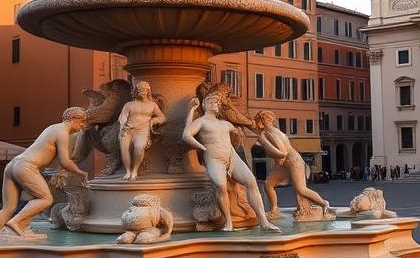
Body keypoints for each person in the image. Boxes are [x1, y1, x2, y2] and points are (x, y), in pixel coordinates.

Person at [0, 107, 90, 240]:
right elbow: (65, 161)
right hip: (26, 166)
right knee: (46, 199)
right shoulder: (62, 132)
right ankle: (16, 223)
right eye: (82, 123)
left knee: (9, 208)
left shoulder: (52, 128)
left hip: (13, 164)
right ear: (74, 119)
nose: (82, 127)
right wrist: (81, 172)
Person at [183, 94, 280, 233]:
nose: (215, 105)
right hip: (214, 158)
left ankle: (264, 221)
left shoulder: (225, 123)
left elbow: (243, 126)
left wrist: (262, 129)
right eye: (211, 102)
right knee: (221, 186)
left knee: (251, 181)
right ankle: (228, 221)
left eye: (217, 103)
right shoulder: (201, 122)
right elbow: (186, 135)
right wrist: (191, 111)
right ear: (204, 105)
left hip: (232, 157)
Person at [254, 110, 333, 220]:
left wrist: (263, 141)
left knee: (301, 189)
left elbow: (282, 153)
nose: (255, 121)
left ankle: (324, 204)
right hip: (285, 164)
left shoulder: (270, 133)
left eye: (256, 119)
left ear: (262, 120)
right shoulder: (269, 131)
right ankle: (274, 210)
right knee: (268, 184)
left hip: (294, 162)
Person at [118, 81, 166, 181]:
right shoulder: (129, 105)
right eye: (140, 90)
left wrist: (154, 120)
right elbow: (122, 118)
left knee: (139, 147)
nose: (143, 92)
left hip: (143, 129)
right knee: (124, 149)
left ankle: (135, 170)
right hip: (128, 129)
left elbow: (162, 117)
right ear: (136, 92)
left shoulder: (152, 105)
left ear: (148, 92)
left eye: (145, 90)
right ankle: (128, 171)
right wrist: (122, 127)